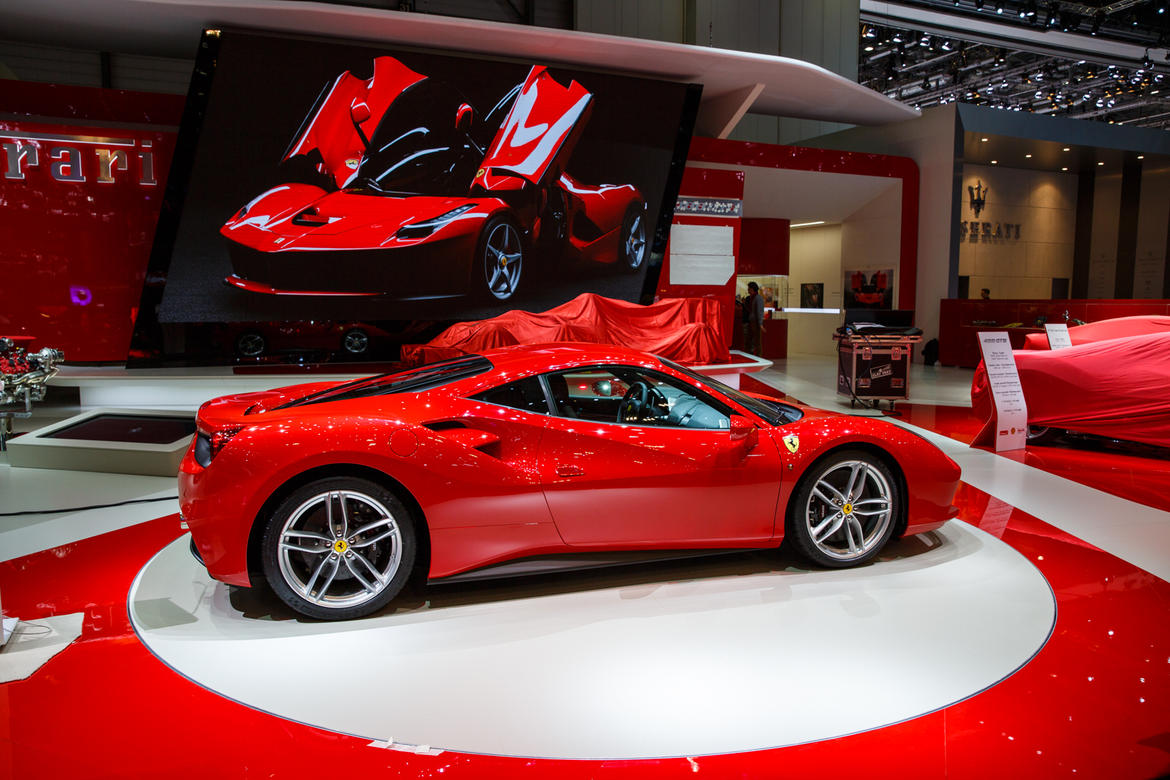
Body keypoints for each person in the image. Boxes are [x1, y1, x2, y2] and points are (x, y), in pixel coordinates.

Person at [744, 281, 765, 355]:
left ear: (752, 289)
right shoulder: (751, 298)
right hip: (752, 321)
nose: (748, 290)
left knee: (757, 341)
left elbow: (760, 311)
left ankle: (759, 356)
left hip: (755, 322)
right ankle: (750, 355)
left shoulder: (758, 298)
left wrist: (760, 323)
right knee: (750, 340)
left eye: (749, 288)